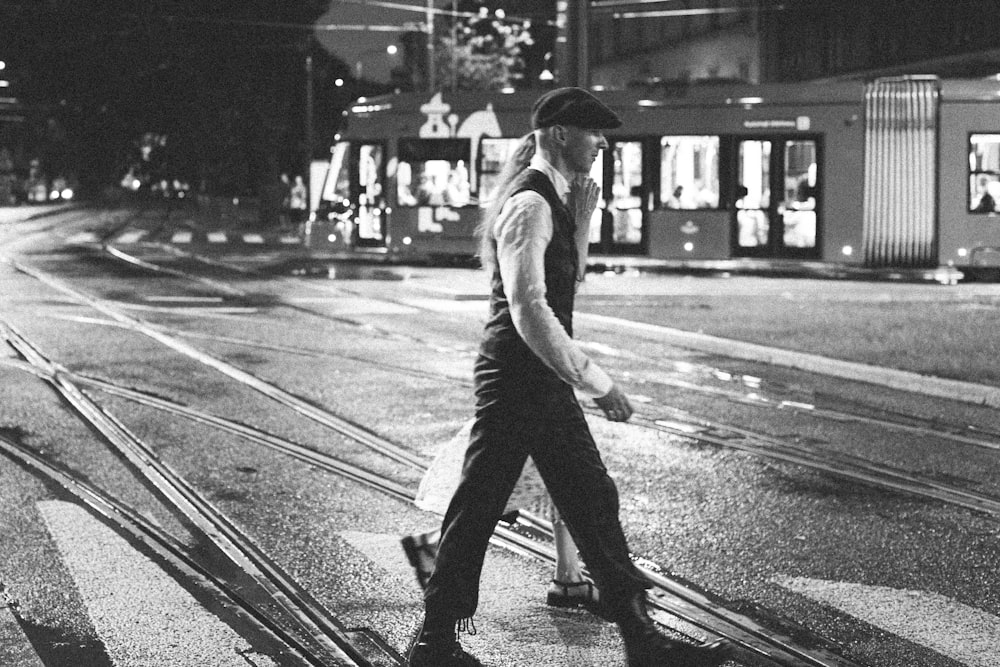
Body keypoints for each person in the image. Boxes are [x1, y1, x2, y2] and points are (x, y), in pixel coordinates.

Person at [405, 87, 732, 667]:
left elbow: (564, 286)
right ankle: (637, 638)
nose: (603, 142)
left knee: (520, 500)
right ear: (560, 134)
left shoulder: (555, 201)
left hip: (525, 376)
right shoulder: (529, 205)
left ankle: (439, 640)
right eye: (593, 132)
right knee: (572, 496)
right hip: (520, 376)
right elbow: (531, 306)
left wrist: (581, 225)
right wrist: (596, 381)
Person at [402, 419, 603, 616]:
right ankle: (437, 544)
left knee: (562, 478)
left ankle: (568, 574)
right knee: (525, 481)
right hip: (533, 410)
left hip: (536, 409)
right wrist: (602, 389)